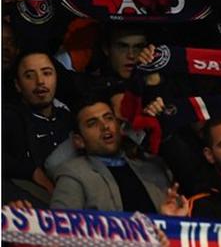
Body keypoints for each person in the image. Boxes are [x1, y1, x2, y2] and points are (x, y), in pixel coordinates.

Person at [49, 99, 174, 211]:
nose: (105, 126)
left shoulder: (152, 167)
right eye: (92, 123)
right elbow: (61, 228)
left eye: (109, 118)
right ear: (79, 141)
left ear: (119, 127)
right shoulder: (73, 173)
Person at [2, 51, 72, 203]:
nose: (40, 81)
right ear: (17, 85)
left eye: (47, 73)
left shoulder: (69, 118)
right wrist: (30, 171)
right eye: (29, 76)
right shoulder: (9, 118)